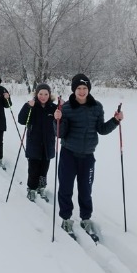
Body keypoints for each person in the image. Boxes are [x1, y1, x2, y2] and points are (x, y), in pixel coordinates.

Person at [53, 73, 123, 236]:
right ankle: (66, 218)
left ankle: (85, 218)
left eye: (85, 88)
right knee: (65, 188)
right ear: (74, 90)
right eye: (79, 88)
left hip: (88, 156)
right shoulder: (67, 108)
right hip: (69, 154)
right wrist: (57, 119)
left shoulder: (97, 107)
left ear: (89, 89)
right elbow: (59, 134)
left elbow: (101, 129)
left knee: (85, 189)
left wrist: (115, 121)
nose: (82, 91)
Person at [17, 83, 57, 202]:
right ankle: (31, 188)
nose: (43, 96)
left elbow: (61, 121)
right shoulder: (31, 105)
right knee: (33, 169)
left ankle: (41, 186)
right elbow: (21, 120)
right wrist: (28, 107)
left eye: (46, 94)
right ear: (36, 94)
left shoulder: (53, 108)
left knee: (44, 168)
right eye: (40, 94)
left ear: (49, 95)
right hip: (34, 143)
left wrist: (63, 107)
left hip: (48, 143)